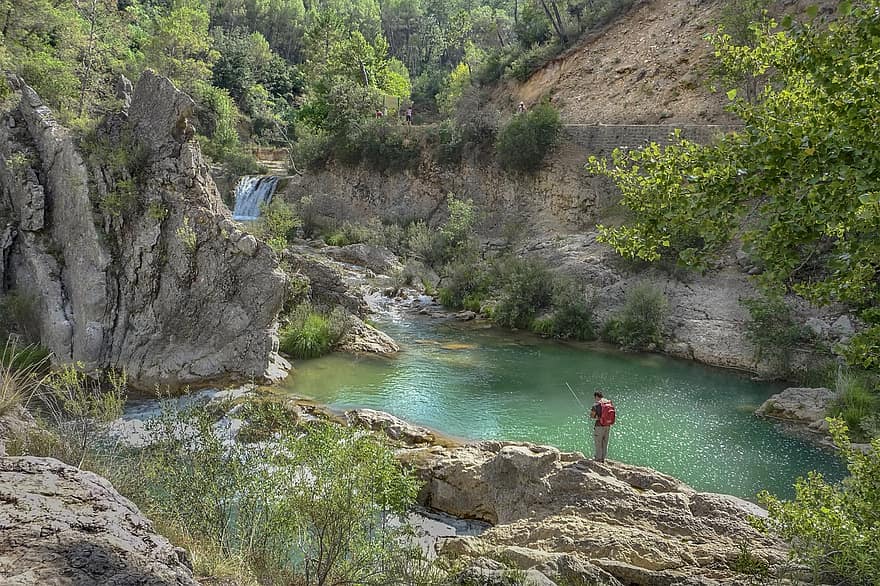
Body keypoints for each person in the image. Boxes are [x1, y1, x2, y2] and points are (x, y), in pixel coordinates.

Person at [589, 391, 614, 462]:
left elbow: (592, 415)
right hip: (608, 425)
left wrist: (593, 416)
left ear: (596, 396)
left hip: (599, 426)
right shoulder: (609, 403)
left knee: (598, 442)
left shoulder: (596, 404)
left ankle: (598, 458)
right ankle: (603, 458)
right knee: (605, 442)